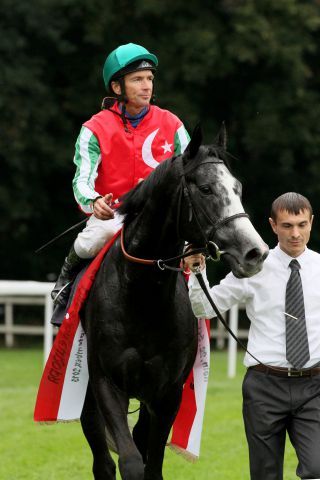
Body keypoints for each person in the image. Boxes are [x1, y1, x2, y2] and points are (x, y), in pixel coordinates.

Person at [184, 192, 320, 480]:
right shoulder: (253, 267)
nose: (295, 234)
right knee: (264, 474)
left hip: (315, 385)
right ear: (272, 225)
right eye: (287, 226)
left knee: (317, 468)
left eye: (301, 224)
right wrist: (198, 271)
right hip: (264, 386)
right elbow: (204, 308)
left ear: (311, 223)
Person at [51, 42, 190, 311]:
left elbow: (189, 176)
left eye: (149, 78)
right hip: (113, 216)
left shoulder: (173, 125)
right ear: (117, 87)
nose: (147, 85)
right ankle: (66, 280)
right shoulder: (93, 128)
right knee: (94, 236)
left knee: (195, 255)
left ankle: (200, 320)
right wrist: (94, 203)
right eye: (137, 79)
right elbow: (82, 180)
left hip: (163, 217)